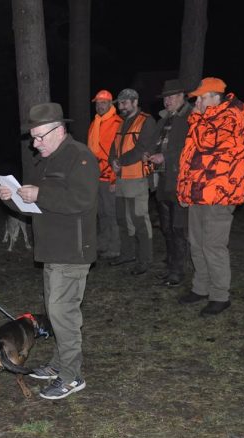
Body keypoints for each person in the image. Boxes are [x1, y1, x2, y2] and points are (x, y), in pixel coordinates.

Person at [0, 102, 98, 400]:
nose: (35, 143)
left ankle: (71, 376)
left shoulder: (79, 157)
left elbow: (82, 199)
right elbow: (37, 208)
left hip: (72, 249)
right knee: (56, 313)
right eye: (33, 138)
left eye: (40, 136)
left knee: (62, 313)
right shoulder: (50, 160)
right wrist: (11, 198)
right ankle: (59, 365)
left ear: (60, 129)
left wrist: (41, 193)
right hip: (52, 249)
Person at [177, 77, 244, 316]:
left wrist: (197, 117)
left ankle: (220, 295)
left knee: (213, 246)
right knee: (196, 244)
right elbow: (189, 158)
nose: (196, 102)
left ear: (215, 97)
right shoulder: (203, 119)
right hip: (198, 192)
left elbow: (209, 144)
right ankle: (201, 288)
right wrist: (184, 190)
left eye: (201, 97)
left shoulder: (231, 117)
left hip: (220, 194)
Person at [146, 79, 193, 287]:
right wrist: (149, 152)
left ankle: (178, 271)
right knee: (166, 227)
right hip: (163, 179)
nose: (167, 101)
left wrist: (166, 157)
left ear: (183, 96)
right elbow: (153, 142)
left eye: (172, 97)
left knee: (178, 227)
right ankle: (171, 266)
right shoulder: (165, 119)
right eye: (165, 97)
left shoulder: (190, 118)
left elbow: (191, 148)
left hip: (179, 180)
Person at [108, 88, 157, 275]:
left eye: (124, 103)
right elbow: (115, 146)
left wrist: (120, 161)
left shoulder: (146, 121)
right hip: (121, 178)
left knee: (139, 220)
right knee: (122, 218)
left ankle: (145, 259)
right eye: (119, 103)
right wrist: (112, 159)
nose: (121, 106)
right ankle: (127, 253)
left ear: (135, 101)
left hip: (137, 178)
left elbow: (143, 148)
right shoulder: (122, 123)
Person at [87, 89, 122, 259]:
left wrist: (115, 179)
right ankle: (103, 244)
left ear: (110, 104)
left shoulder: (117, 123)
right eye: (97, 103)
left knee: (111, 213)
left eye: (103, 103)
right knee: (101, 213)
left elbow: (119, 155)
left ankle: (115, 247)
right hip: (96, 176)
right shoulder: (95, 123)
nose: (100, 106)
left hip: (110, 177)